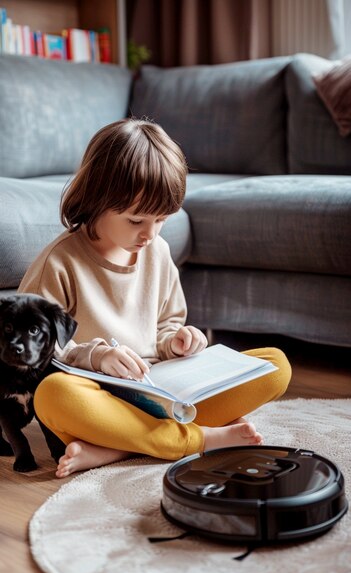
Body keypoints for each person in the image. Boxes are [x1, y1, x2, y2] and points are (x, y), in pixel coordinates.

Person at [19, 118, 291, 478]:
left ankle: (114, 449)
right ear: (97, 199)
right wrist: (98, 356)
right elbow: (34, 350)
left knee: (275, 365)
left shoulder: (157, 252)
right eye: (136, 221)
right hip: (98, 400)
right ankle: (196, 440)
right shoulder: (60, 261)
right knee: (53, 394)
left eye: (162, 219)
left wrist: (177, 341)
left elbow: (167, 323)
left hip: (160, 392)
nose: (150, 233)